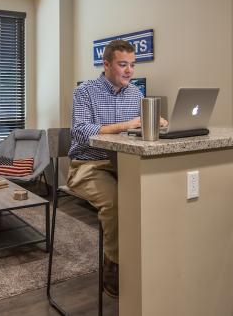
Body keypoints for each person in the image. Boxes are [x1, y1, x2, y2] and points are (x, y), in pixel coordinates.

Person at [68, 40, 166, 298]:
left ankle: (147, 263)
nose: (129, 70)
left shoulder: (135, 94)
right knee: (116, 202)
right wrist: (126, 125)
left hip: (124, 164)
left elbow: (136, 129)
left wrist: (155, 123)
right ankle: (114, 263)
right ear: (107, 64)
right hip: (87, 164)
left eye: (132, 65)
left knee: (156, 195)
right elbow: (80, 131)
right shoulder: (85, 92)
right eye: (123, 65)